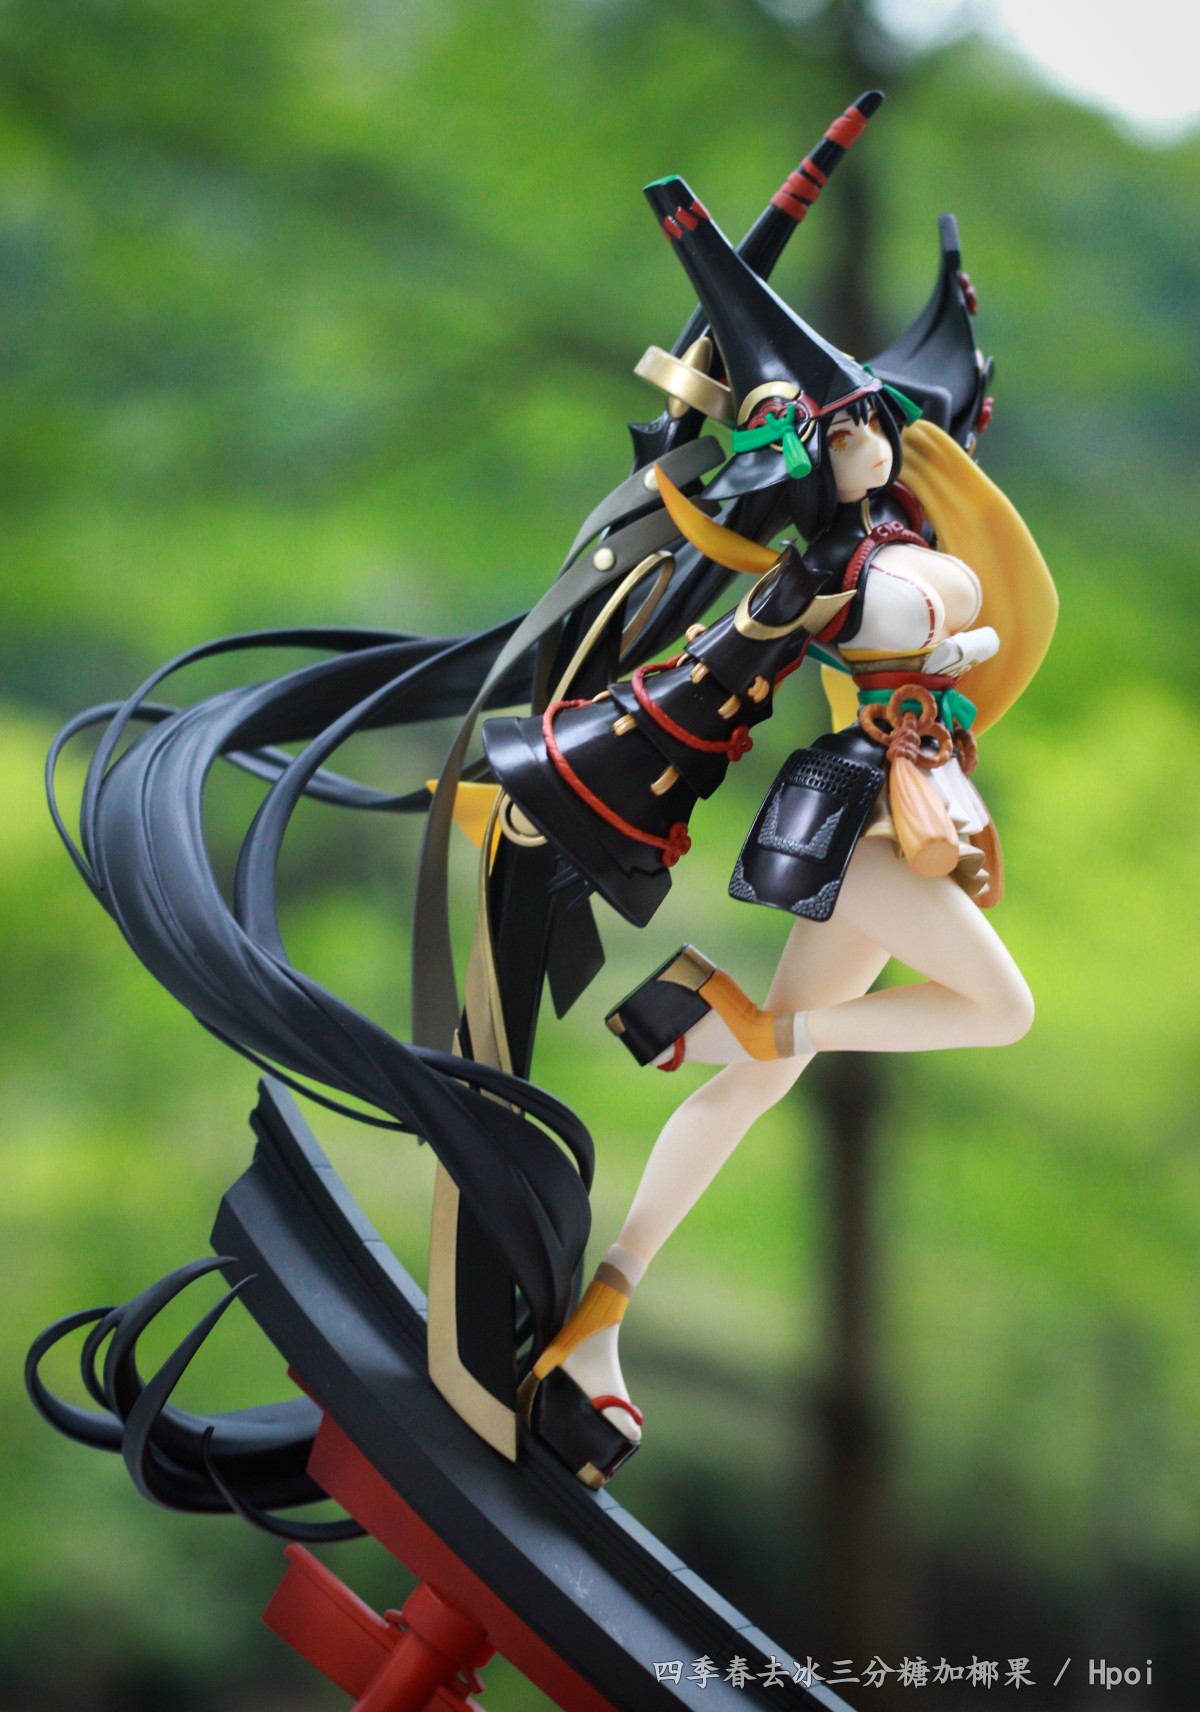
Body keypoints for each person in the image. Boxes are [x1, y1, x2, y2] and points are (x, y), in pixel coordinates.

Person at [490, 177, 1057, 1485]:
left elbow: (932, 618)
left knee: (760, 1087)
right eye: (836, 429)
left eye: (867, 423)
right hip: (858, 827)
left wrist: (936, 639)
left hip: (879, 813)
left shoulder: (897, 538)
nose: (861, 443)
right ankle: (742, 1020)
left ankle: (601, 1312)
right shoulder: (843, 566)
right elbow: (842, 628)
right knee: (996, 1010)